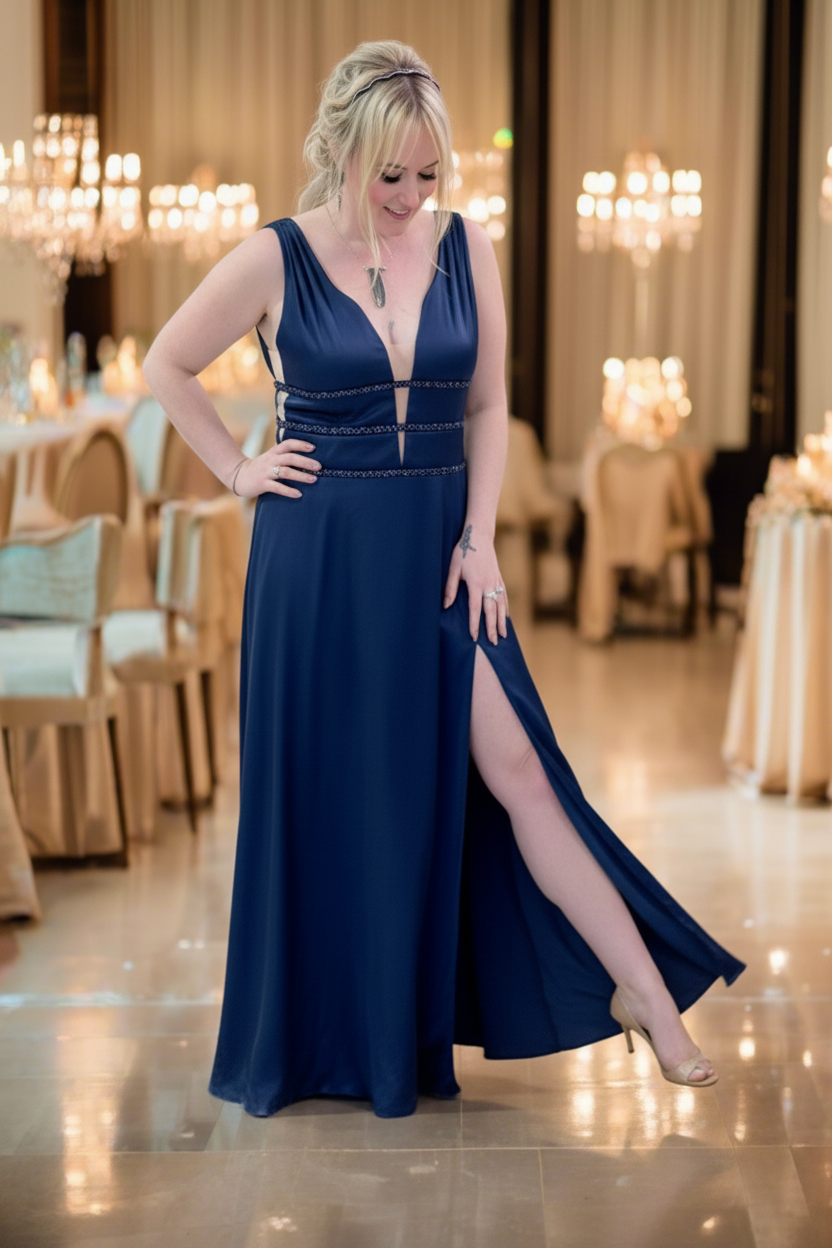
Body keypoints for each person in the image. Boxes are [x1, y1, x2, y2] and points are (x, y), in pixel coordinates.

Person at [143, 40, 745, 1120]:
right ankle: (337, 1039)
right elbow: (165, 365)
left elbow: (483, 408)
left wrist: (481, 540)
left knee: (518, 763)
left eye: (428, 175)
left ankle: (648, 994)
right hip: (318, 561)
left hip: (440, 556)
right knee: (338, 800)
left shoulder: (468, 244)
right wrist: (237, 467)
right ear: (342, 153)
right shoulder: (275, 256)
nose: (411, 198)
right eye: (391, 176)